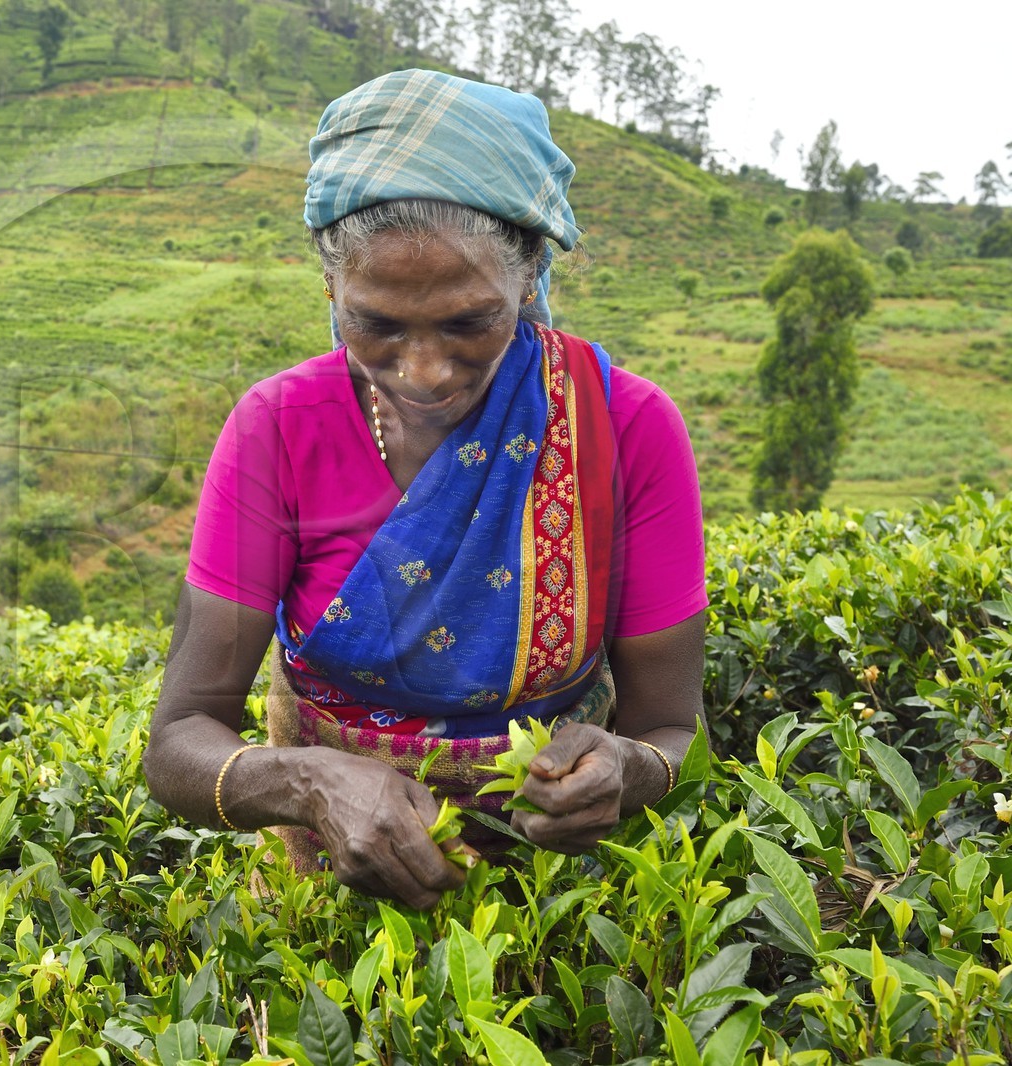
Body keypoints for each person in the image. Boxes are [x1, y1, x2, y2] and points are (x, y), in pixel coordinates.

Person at [143, 69, 707, 911]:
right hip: (328, 886)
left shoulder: (623, 427)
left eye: (467, 321)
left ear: (529, 276)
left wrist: (629, 770)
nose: (425, 370)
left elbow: (675, 730)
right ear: (330, 287)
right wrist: (311, 785)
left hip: (564, 899)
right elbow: (180, 743)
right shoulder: (277, 428)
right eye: (377, 323)